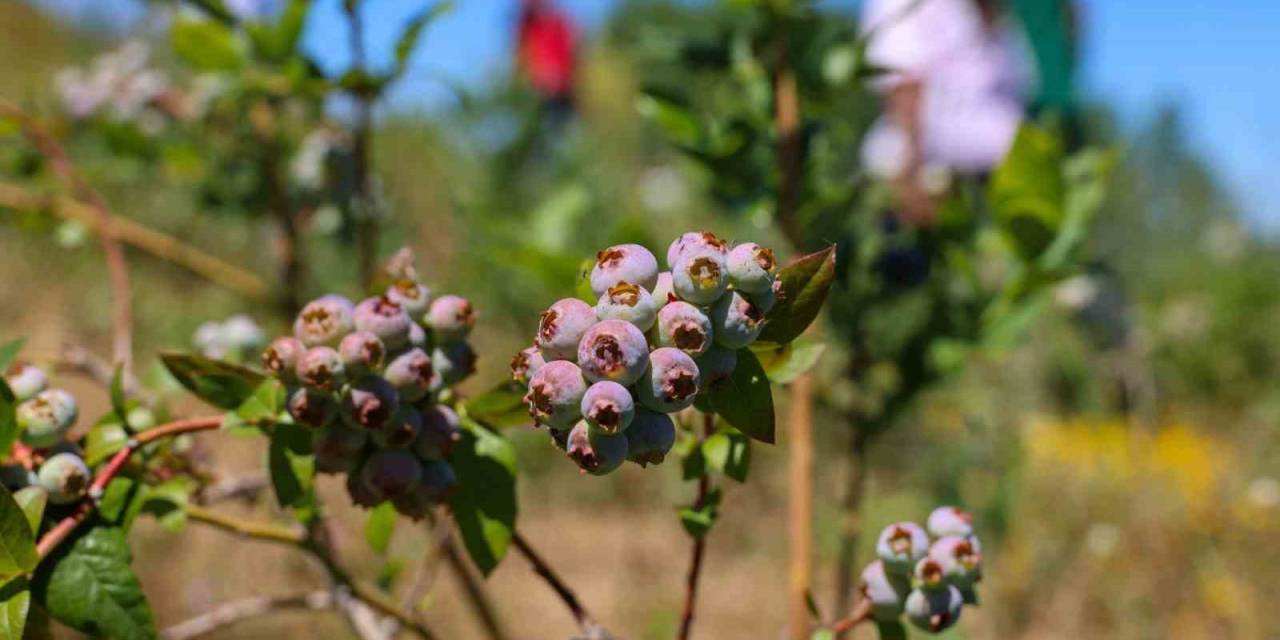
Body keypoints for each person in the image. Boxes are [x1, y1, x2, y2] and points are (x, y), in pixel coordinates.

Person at [860, 0, 1026, 226]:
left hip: (993, 174)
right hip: (932, 169)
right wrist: (911, 174)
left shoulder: (990, 13)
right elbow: (903, 83)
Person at [516, 0, 577, 116]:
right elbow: (522, 59)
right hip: (539, 90)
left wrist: (560, 75)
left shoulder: (558, 21)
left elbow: (571, 50)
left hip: (562, 88)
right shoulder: (526, 28)